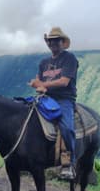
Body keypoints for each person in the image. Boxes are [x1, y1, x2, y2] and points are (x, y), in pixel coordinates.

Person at [29, 27, 78, 180]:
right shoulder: (44, 62)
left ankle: (69, 162)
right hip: (46, 98)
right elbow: (39, 81)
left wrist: (42, 85)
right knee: (24, 116)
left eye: (57, 40)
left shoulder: (69, 59)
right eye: (51, 40)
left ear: (62, 42)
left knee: (67, 128)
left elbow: (64, 82)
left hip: (64, 99)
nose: (53, 43)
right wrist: (38, 85)